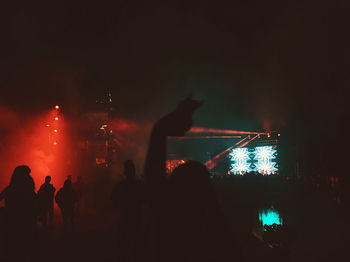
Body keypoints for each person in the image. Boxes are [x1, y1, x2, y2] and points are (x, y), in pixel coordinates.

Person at [144, 96, 233, 262]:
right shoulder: (218, 231)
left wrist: (160, 130)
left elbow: (153, 180)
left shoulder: (169, 220)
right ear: (208, 188)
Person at [0, 165, 37, 260]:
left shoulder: (11, 188)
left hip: (12, 221)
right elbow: (35, 203)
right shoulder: (29, 188)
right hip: (25, 221)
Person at [111, 160, 144, 262]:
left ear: (125, 172)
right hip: (137, 218)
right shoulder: (139, 185)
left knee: (124, 245)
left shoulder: (121, 186)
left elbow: (113, 201)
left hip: (125, 218)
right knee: (137, 245)